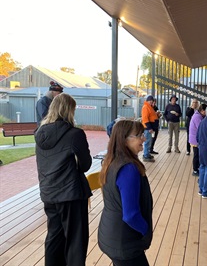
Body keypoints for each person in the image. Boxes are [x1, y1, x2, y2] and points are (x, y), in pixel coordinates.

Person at [34, 93, 92, 266]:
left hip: (49, 192)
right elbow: (85, 165)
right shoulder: (75, 134)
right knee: (76, 240)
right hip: (71, 194)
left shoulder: (39, 134)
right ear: (69, 110)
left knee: (54, 237)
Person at [98, 120, 153, 266]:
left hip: (110, 234)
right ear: (124, 140)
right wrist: (146, 230)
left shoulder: (112, 161)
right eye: (139, 135)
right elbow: (131, 215)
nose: (144, 138)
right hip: (124, 242)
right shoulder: (128, 169)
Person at [189, 103, 207, 176]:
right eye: (206, 111)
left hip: (195, 138)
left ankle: (197, 168)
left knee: (197, 154)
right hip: (195, 140)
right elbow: (201, 128)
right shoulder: (197, 117)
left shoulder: (199, 115)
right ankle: (195, 170)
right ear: (202, 110)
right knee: (196, 155)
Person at [141, 95, 158, 162]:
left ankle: (147, 154)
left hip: (150, 128)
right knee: (147, 142)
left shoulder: (149, 107)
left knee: (149, 141)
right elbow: (145, 118)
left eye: (152, 101)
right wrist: (149, 128)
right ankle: (145, 155)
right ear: (147, 101)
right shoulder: (145, 107)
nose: (151, 102)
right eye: (150, 101)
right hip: (148, 128)